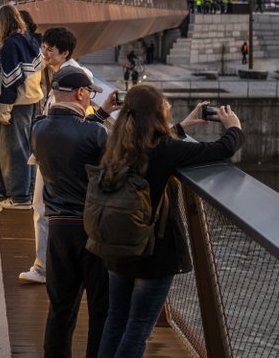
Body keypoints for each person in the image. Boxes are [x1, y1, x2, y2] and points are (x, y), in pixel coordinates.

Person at [95, 86, 243, 358]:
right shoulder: (165, 150)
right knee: (138, 326)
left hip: (117, 246)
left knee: (115, 321)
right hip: (153, 253)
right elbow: (222, 149)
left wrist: (184, 125)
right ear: (156, 115)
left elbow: (154, 144)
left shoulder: (116, 145)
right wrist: (233, 127)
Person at [32, 66, 117, 358]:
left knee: (61, 307)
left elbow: (72, 135)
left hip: (57, 228)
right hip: (91, 229)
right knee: (100, 309)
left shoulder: (38, 128)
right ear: (81, 93)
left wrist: (101, 114)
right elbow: (113, 158)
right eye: (89, 95)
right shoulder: (95, 133)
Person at [20, 26, 86, 285]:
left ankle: (45, 267)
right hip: (56, 153)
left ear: (65, 53)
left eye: (50, 50)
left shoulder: (74, 77)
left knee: (43, 209)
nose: (44, 53)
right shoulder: (65, 73)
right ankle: (48, 265)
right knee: (45, 209)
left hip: (58, 156)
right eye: (44, 47)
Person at [0, 3, 43, 210]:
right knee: (30, 150)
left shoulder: (11, 45)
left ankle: (20, 197)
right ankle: (28, 192)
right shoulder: (29, 39)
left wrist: (4, 110)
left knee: (16, 150)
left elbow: (10, 81)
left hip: (19, 103)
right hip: (35, 99)